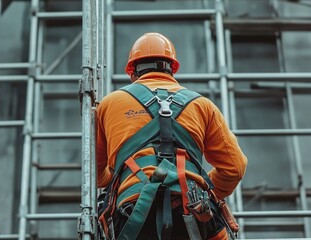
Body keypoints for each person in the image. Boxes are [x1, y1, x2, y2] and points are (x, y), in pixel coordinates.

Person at [96, 32, 247, 240]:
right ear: (172, 70)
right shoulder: (201, 105)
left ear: (132, 71)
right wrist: (198, 186)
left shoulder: (109, 104)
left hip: (131, 212)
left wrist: (119, 178)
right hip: (192, 209)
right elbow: (235, 168)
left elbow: (95, 173)